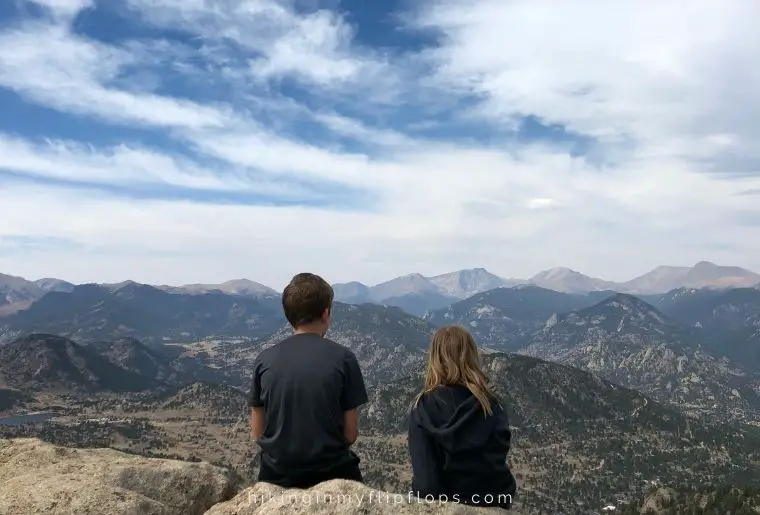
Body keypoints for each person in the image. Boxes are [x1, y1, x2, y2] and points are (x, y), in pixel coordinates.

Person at [248, 272, 368, 488]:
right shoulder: (344, 358)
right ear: (325, 314)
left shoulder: (264, 360)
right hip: (334, 475)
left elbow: (258, 433)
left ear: (289, 316)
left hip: (275, 477)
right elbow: (350, 434)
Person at [408, 325, 517, 510]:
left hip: (449, 506)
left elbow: (426, 482)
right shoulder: (491, 404)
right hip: (494, 503)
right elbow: (498, 454)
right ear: (472, 355)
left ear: (435, 358)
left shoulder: (423, 408)